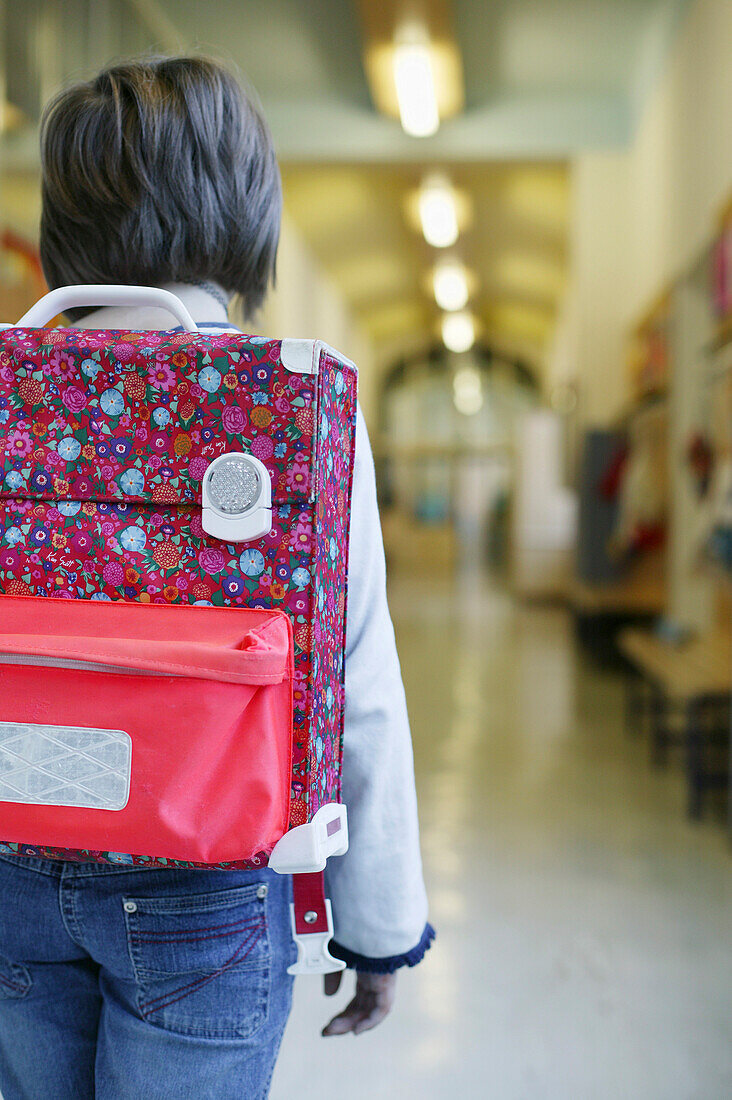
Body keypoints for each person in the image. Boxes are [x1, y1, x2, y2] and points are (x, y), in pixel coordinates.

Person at [0, 56, 433, 1099]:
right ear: (246, 208)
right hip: (209, 893)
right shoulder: (290, 402)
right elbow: (353, 689)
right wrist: (378, 930)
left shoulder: (14, 389)